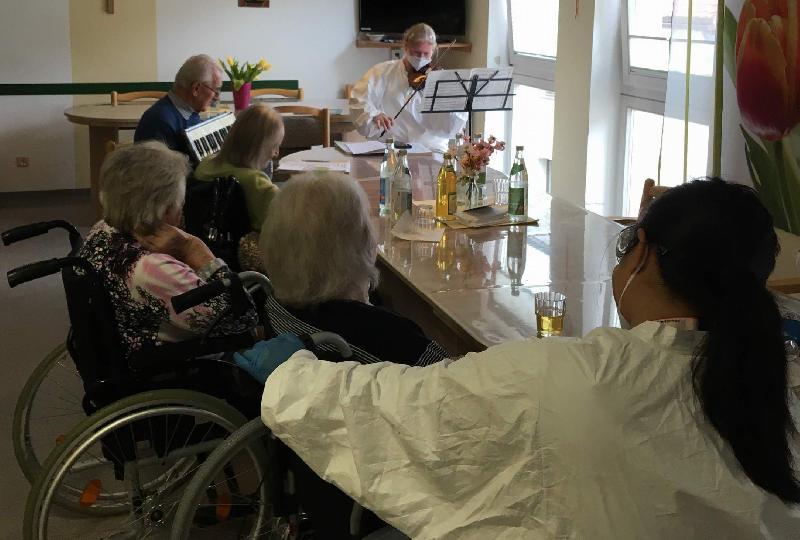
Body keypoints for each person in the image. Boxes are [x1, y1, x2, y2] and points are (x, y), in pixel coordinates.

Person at [245, 178, 800, 537]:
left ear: (644, 255)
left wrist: (293, 375)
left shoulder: (571, 378)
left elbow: (403, 409)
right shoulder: (779, 376)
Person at [242, 171, 450, 536]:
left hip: (312, 482)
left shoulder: (275, 306)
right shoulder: (387, 337)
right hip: (383, 493)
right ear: (359, 244)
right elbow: (458, 395)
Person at [79, 141, 258, 363]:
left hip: (124, 337)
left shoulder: (102, 230)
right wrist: (194, 248)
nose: (182, 210)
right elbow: (242, 319)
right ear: (165, 210)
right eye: (180, 203)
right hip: (170, 363)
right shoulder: (153, 268)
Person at [193, 103, 284, 270]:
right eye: (274, 146)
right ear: (260, 147)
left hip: (206, 256)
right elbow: (282, 234)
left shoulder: (204, 166)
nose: (276, 153)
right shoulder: (260, 186)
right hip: (249, 264)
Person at [350, 23, 467, 150]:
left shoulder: (441, 78)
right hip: (391, 148)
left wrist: (453, 109)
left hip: (432, 149)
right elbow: (359, 101)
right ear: (405, 47)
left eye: (426, 54)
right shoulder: (381, 71)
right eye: (416, 53)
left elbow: (452, 127)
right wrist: (374, 114)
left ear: (433, 51)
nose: (421, 58)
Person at [134, 54, 223, 159]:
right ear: (196, 89)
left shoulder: (192, 110)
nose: (217, 97)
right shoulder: (159, 122)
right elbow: (160, 173)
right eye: (215, 90)